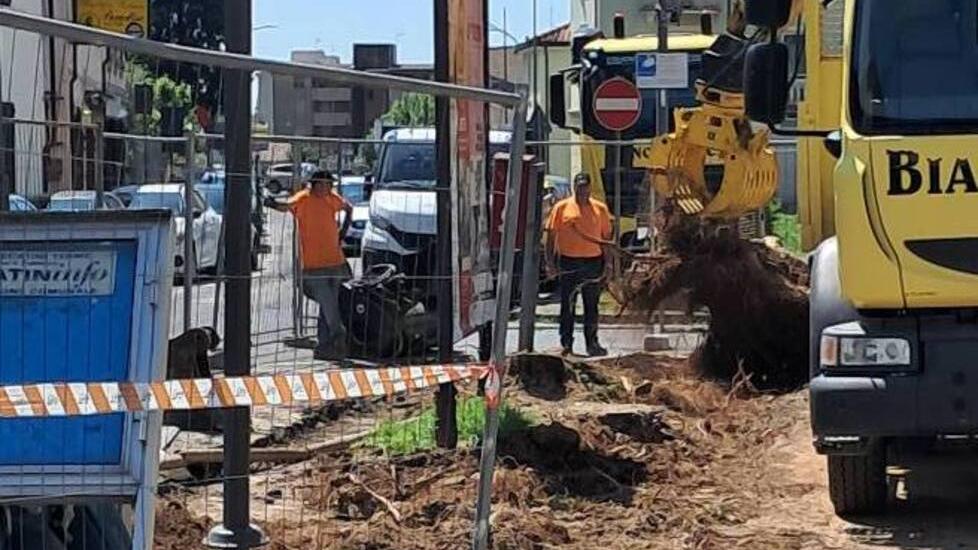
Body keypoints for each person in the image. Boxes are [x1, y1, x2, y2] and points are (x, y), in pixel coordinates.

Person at [266, 170, 353, 360]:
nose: (327, 188)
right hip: (313, 268)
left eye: (330, 184)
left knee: (329, 306)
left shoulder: (332, 198)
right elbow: (286, 206)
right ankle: (339, 335)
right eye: (324, 184)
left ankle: (324, 347)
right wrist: (272, 203)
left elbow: (348, 208)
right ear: (314, 184)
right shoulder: (303, 199)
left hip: (336, 262)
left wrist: (343, 232)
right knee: (328, 303)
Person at [545, 172, 613, 357]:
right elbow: (551, 237)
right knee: (568, 305)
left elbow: (606, 239)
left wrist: (608, 265)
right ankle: (566, 344)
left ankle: (592, 343)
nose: (582, 190)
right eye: (579, 186)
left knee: (591, 305)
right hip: (568, 262)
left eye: (585, 187)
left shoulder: (600, 209)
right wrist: (550, 263)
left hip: (593, 263)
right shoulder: (561, 208)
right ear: (574, 187)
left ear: (590, 188)